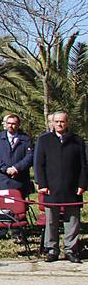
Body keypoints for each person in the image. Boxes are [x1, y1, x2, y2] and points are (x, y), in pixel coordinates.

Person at [33, 111, 88, 263]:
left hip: (72, 187)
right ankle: (52, 249)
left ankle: (71, 250)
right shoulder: (44, 140)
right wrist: (42, 184)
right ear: (52, 123)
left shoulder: (77, 140)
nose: (59, 124)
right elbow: (39, 164)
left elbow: (84, 165)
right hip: (51, 188)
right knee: (51, 220)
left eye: (62, 121)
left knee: (72, 220)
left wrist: (82, 184)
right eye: (56, 121)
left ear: (67, 123)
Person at [0, 113, 34, 197]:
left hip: (20, 180)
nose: (10, 126)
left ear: (18, 125)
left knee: (19, 208)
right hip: (2, 180)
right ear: (5, 124)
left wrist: (16, 168)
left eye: (13, 124)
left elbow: (30, 156)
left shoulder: (26, 139)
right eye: (8, 123)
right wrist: (4, 168)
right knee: (2, 207)